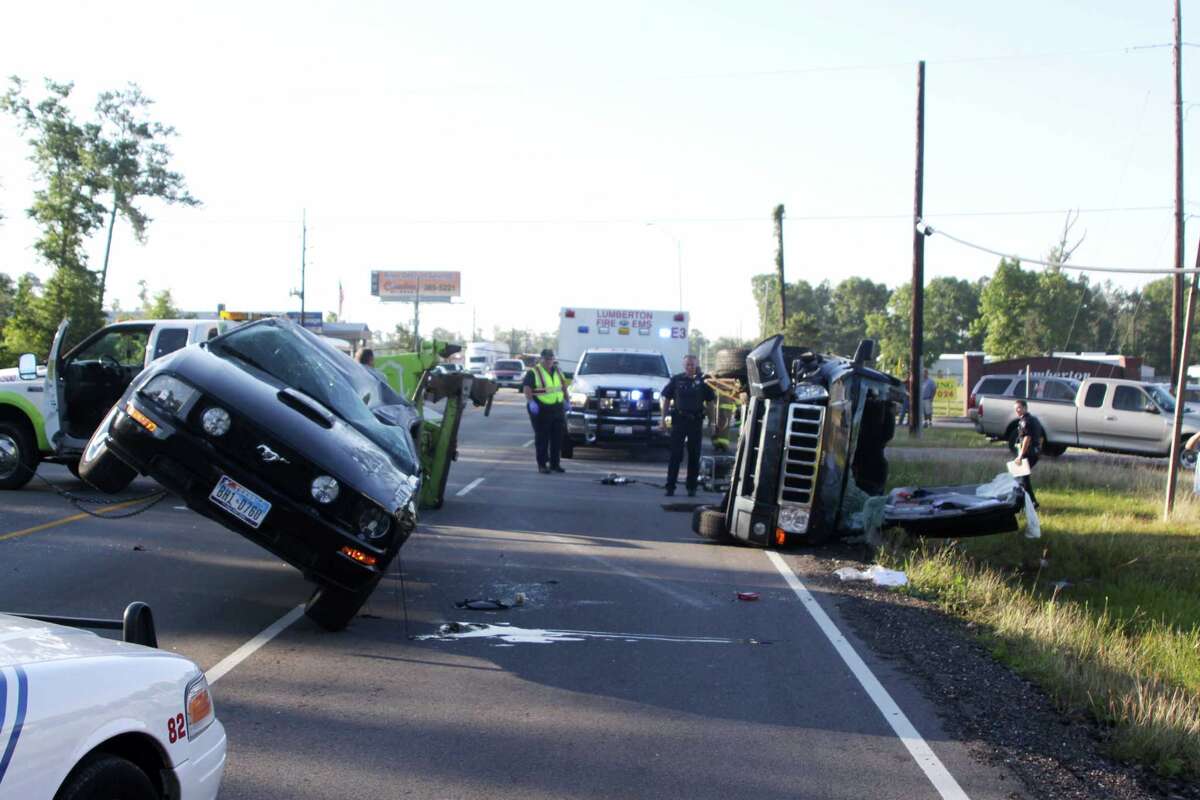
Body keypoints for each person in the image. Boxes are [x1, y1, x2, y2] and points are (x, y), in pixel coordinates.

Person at [661, 354, 716, 497]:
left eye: (692, 365)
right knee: (675, 455)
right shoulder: (677, 380)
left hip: (695, 422)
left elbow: (710, 404)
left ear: (696, 365)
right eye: (687, 365)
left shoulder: (703, 382)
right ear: (684, 366)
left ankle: (691, 487)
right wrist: (664, 421)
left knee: (694, 455)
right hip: (679, 421)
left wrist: (713, 422)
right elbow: (666, 400)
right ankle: (670, 486)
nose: (690, 367)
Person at [522, 348, 566, 474]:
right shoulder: (534, 372)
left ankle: (555, 464)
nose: (548, 361)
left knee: (557, 437)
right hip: (541, 408)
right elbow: (527, 388)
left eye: (551, 358)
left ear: (553, 359)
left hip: (557, 407)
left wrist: (567, 400)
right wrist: (531, 402)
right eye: (546, 359)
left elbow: (563, 386)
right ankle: (542, 465)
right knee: (542, 437)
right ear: (541, 359)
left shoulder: (557, 371)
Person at [1013, 399, 1044, 509]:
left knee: (1022, 479)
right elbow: (1041, 437)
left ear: (1025, 408)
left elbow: (1027, 438)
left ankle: (1031, 502)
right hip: (1034, 452)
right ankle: (1026, 502)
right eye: (1016, 408)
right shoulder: (1034, 419)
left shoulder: (1025, 421)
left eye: (1019, 408)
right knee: (1022, 478)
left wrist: (1020, 456)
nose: (1017, 410)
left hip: (1028, 453)